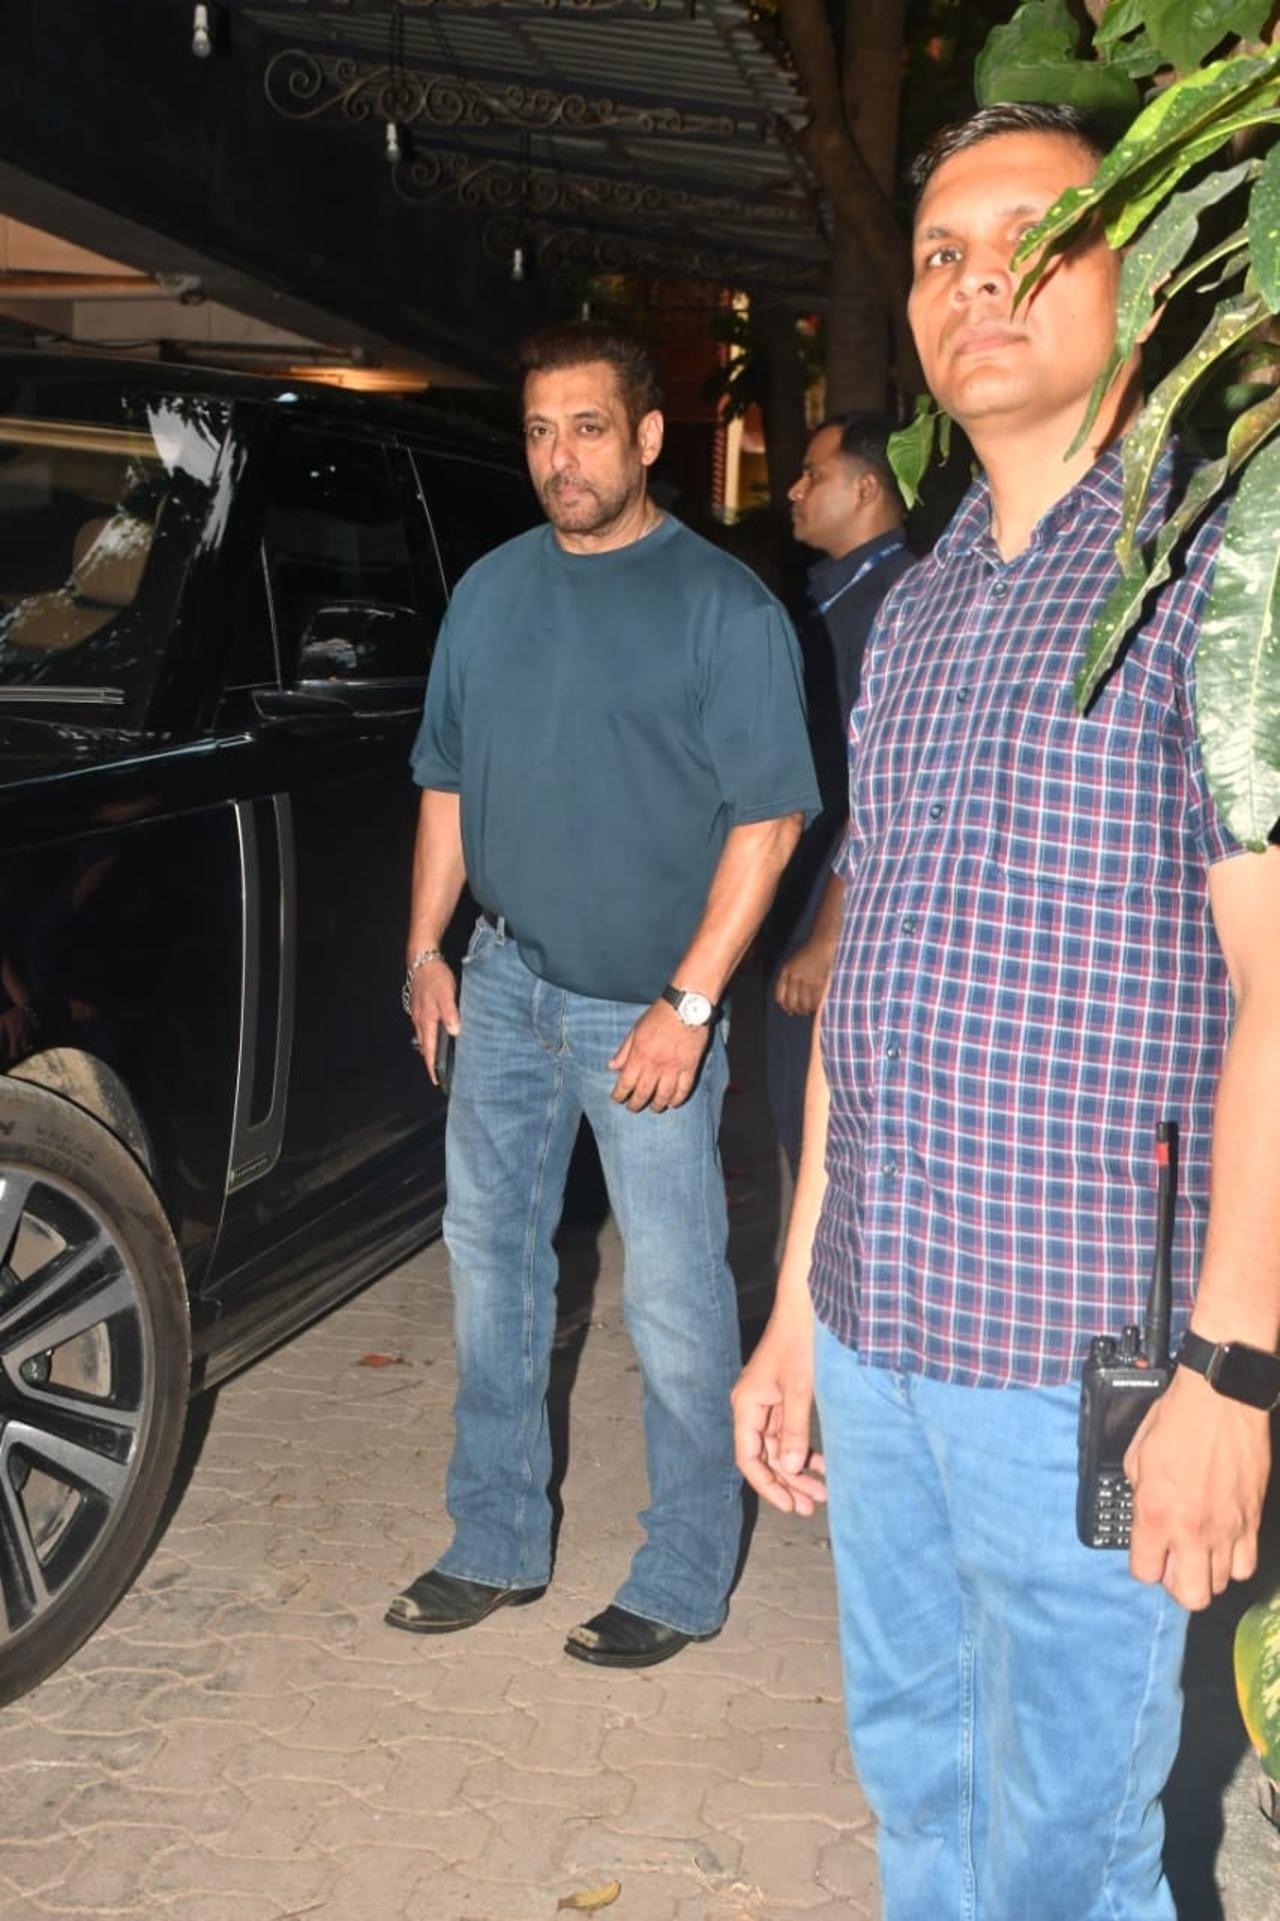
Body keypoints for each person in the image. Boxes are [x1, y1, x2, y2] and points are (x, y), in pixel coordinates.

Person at [732, 101, 1280, 1919]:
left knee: (1070, 1840)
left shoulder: (1219, 575)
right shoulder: (916, 613)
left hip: (1091, 1375)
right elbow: (866, 979)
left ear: (1143, 276)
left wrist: (1231, 1373)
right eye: (943, 257)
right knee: (916, 1770)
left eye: (1033, 243)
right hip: (879, 1334)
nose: (980, 287)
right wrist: (800, 1308)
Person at [392, 320, 819, 1670]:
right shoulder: (493, 591)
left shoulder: (724, 608)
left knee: (679, 1303)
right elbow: (447, 779)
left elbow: (771, 821)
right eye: (538, 431)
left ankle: (686, 1572)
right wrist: (426, 948)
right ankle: (495, 1539)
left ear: (647, 439)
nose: (559, 457)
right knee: (493, 1275)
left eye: (587, 428)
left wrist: (689, 1006)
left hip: (644, 1010)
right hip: (505, 982)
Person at [765, 416, 914, 1173]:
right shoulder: (835, 596)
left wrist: (827, 940)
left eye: (812, 474)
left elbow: (886, 785)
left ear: (865, 488)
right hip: (808, 895)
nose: (793, 489)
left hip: (843, 917)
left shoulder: (896, 602)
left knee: (821, 1145)